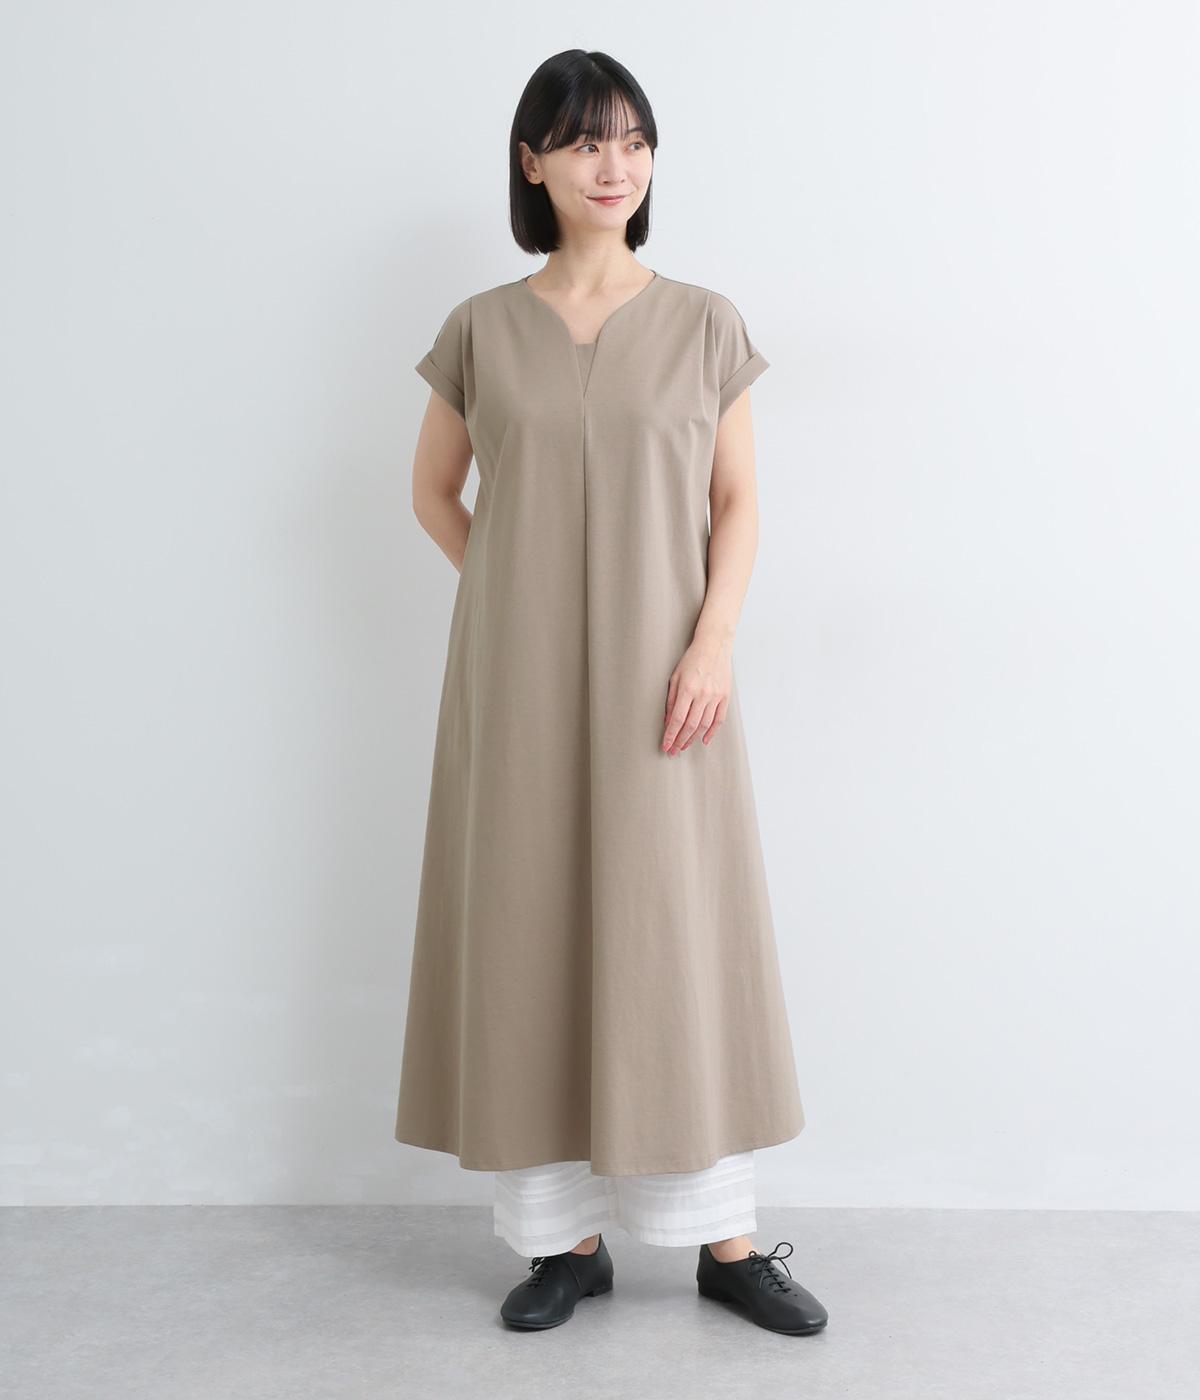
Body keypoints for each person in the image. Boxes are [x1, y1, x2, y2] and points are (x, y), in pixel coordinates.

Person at [395, 48, 828, 1337]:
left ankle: (726, 1244)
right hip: (515, 686)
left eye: (634, 141)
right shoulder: (481, 328)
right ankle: (562, 1243)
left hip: (669, 681)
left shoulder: (702, 322)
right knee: (528, 927)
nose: (614, 166)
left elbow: (738, 502)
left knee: (676, 931)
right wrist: (509, 598)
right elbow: (433, 492)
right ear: (533, 160)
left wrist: (712, 642)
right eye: (586, 141)